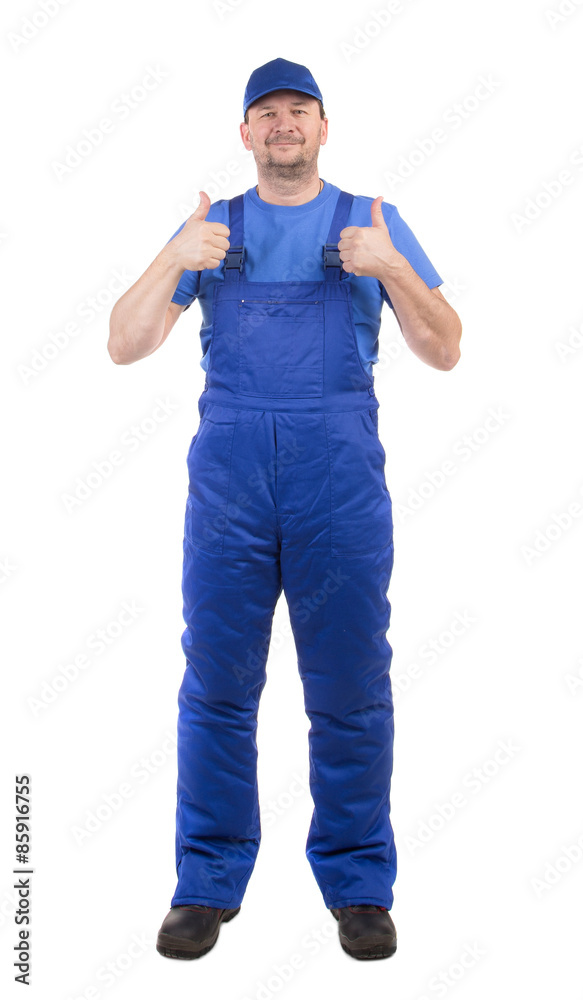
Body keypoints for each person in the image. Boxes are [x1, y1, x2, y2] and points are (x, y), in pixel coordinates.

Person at [108, 57, 462, 963]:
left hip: (335, 480)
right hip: (229, 485)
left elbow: (444, 349)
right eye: (265, 112)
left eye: (298, 109)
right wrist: (171, 257)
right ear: (245, 133)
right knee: (217, 686)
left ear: (323, 127)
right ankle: (205, 882)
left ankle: (358, 885)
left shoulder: (371, 222)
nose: (283, 124)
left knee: (350, 686)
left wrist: (391, 269)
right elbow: (124, 343)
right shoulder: (210, 230)